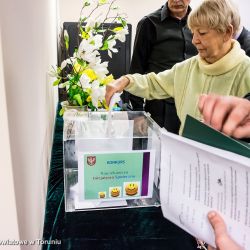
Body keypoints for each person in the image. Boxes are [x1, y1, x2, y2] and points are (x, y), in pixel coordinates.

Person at [106, 0, 250, 135]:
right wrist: (125, 81)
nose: (194, 41)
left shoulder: (245, 71)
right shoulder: (187, 68)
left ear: (227, 32)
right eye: (193, 33)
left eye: (202, 33)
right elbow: (153, 82)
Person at [128, 0, 197, 134]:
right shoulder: (149, 23)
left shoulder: (200, 23)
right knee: (158, 154)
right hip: (159, 108)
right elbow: (137, 69)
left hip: (191, 108)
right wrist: (138, 114)